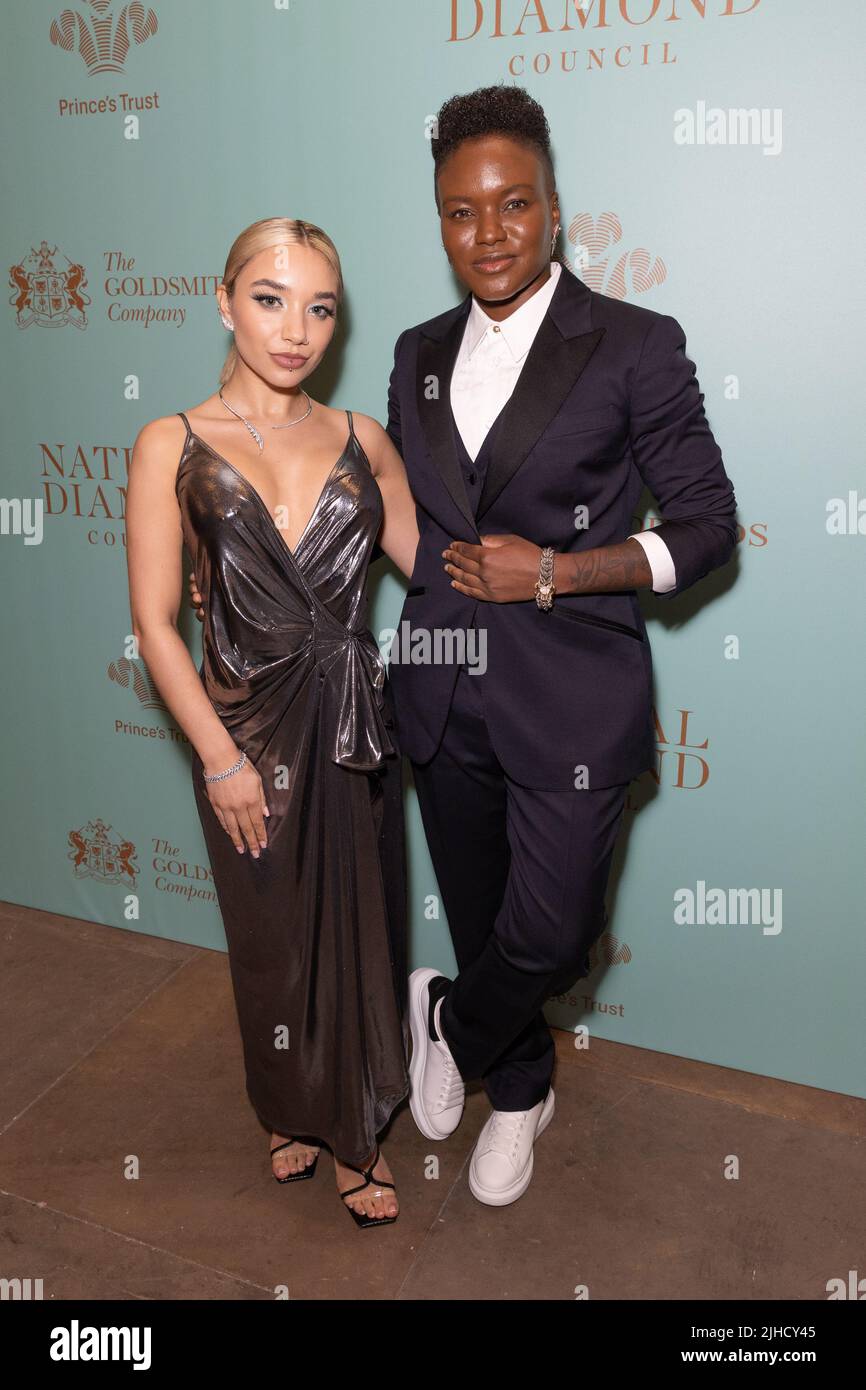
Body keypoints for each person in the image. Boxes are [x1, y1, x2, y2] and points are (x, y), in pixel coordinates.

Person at [384, 84, 738, 1206]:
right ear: (437, 218)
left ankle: (447, 1016)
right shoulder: (415, 351)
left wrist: (551, 571)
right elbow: (402, 511)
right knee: (485, 913)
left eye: (511, 204)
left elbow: (705, 529)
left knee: (553, 934)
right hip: (440, 688)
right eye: (458, 212)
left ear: (552, 208)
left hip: (572, 694)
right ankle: (522, 1086)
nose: (486, 235)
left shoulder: (632, 345)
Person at [126, 218, 421, 1228]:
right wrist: (217, 758)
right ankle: (284, 1104)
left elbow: (441, 571)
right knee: (270, 945)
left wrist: (571, 545)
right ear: (223, 301)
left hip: (352, 725)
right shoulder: (171, 441)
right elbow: (156, 626)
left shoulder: (360, 439)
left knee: (361, 934)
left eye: (320, 307)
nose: (296, 328)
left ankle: (353, 1130)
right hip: (243, 733)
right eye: (268, 297)